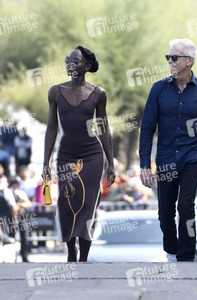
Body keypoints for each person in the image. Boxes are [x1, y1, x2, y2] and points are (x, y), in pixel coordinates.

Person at [139, 39, 197, 262]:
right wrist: (144, 165)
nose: (170, 62)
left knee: (186, 205)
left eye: (174, 57)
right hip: (166, 158)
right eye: (168, 57)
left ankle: (187, 256)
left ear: (189, 60)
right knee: (165, 213)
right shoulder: (158, 89)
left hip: (192, 157)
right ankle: (172, 251)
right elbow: (146, 130)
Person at [42, 46, 115, 262]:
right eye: (68, 59)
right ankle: (70, 249)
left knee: (87, 203)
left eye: (76, 59)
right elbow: (51, 128)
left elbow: (103, 127)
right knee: (66, 202)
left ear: (87, 66)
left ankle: (83, 256)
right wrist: (45, 161)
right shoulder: (55, 92)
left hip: (92, 155)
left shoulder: (98, 93)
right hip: (66, 154)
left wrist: (111, 162)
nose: (70, 63)